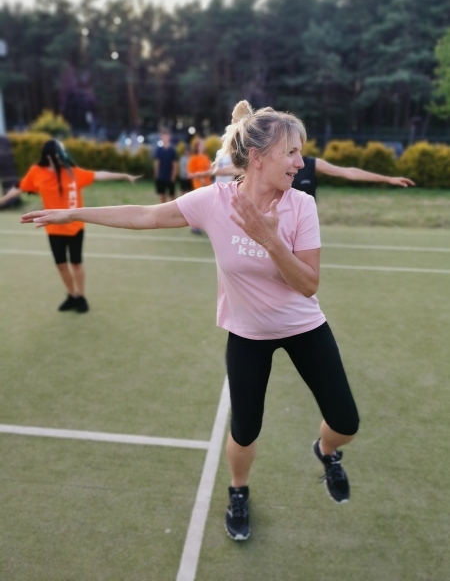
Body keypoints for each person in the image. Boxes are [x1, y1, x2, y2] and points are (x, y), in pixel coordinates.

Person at [21, 101, 359, 542]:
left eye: (300, 153)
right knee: (245, 430)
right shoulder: (214, 202)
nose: (300, 163)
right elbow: (145, 215)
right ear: (258, 158)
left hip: (303, 327)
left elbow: (308, 284)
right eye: (291, 153)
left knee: (346, 423)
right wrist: (74, 213)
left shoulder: (301, 206)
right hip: (248, 333)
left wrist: (270, 240)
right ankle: (238, 490)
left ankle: (327, 451)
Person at [2, 139, 139, 313]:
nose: (64, 154)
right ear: (50, 155)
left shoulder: (72, 172)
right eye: (61, 151)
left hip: (75, 228)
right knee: (61, 264)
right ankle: (71, 295)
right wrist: (2, 200)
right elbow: (19, 187)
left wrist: (124, 176)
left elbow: (98, 175)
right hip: (53, 229)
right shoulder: (37, 172)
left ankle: (81, 297)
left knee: (76, 263)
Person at [214, 151, 415, 197]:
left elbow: (349, 173)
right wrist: (208, 172)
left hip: (302, 223)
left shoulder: (311, 164)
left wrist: (388, 179)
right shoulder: (273, 165)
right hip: (278, 222)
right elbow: (238, 169)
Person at [187, 138, 212, 234]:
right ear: (197, 147)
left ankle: (202, 225)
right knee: (198, 206)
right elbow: (190, 174)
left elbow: (210, 171)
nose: (203, 146)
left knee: (205, 207)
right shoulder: (194, 158)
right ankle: (195, 226)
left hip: (207, 185)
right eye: (201, 144)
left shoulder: (206, 157)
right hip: (198, 185)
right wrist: (200, 178)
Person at [154, 129, 178, 203]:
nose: (164, 138)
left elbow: (175, 164)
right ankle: (163, 208)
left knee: (172, 195)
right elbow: (157, 163)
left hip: (169, 176)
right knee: (162, 194)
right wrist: (156, 174)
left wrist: (173, 175)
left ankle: (173, 209)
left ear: (169, 137)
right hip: (161, 176)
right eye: (163, 136)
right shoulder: (159, 150)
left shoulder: (172, 150)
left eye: (166, 136)